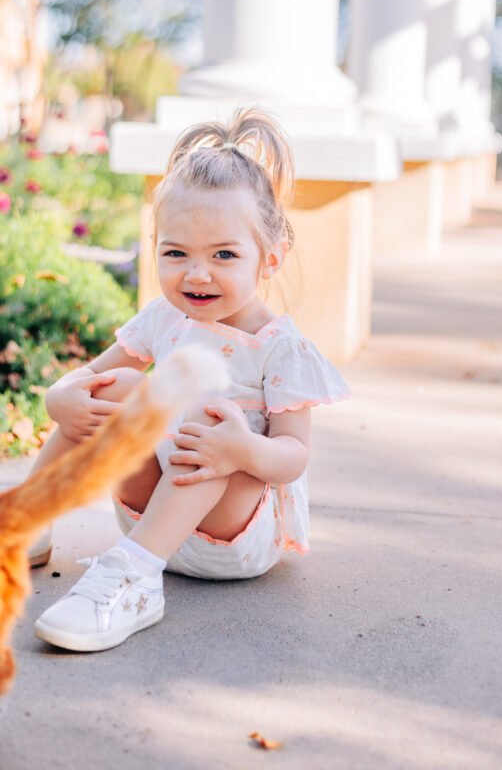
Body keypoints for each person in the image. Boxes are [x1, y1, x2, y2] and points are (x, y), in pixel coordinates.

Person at [31, 109, 349, 653]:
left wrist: (242, 449)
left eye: (224, 255)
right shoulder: (163, 317)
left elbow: (294, 455)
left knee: (210, 416)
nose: (196, 274)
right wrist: (60, 396)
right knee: (114, 389)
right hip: (150, 514)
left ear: (270, 258)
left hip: (234, 537)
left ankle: (132, 581)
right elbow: (95, 377)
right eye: (175, 253)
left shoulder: (281, 347)